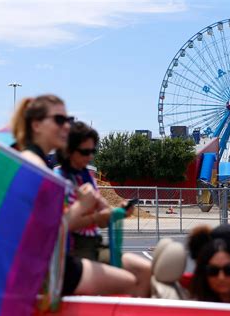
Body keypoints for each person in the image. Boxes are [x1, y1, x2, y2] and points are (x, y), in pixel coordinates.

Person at [11, 94, 149, 297]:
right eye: (59, 120)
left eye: (67, 120)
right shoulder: (37, 167)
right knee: (128, 283)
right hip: (49, 265)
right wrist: (84, 206)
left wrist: (113, 211)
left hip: (51, 260)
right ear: (36, 125)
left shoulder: (39, 165)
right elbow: (50, 229)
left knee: (137, 276)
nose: (67, 126)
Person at [54, 121, 151, 295]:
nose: (90, 157)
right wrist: (94, 217)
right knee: (128, 281)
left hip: (96, 246)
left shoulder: (86, 177)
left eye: (93, 151)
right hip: (74, 252)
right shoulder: (58, 180)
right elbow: (61, 225)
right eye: (85, 152)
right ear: (67, 151)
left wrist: (119, 212)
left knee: (145, 271)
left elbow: (104, 219)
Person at [190, 238, 230, 304]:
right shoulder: (190, 309)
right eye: (213, 271)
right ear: (203, 274)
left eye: (229, 270)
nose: (221, 277)